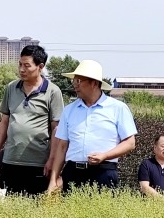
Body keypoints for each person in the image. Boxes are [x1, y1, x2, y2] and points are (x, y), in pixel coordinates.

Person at [47, 60, 137, 193]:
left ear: (94, 83)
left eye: (79, 81)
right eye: (74, 81)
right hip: (73, 173)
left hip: (103, 172)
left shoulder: (117, 108)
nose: (74, 85)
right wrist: (53, 181)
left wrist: (104, 155)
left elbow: (130, 143)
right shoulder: (69, 110)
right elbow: (62, 146)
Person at [0, 45, 63, 195]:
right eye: (20, 64)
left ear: (40, 66)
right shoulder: (11, 88)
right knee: (7, 207)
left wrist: (52, 159)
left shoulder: (53, 91)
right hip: (10, 161)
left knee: (35, 211)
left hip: (38, 163)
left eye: (27, 65)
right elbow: (4, 122)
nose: (22, 69)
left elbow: (56, 128)